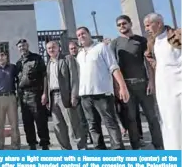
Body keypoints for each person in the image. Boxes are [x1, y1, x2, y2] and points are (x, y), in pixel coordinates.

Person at [110, 15, 163, 150]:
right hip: (127, 88)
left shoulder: (141, 40)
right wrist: (118, 87)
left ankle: (159, 145)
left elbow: (148, 63)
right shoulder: (115, 43)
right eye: (119, 25)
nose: (122, 26)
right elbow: (113, 67)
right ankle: (135, 147)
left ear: (130, 24)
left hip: (144, 85)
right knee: (131, 119)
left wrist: (151, 82)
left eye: (124, 23)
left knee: (152, 117)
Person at [76, 26, 129, 150]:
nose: (81, 36)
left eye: (83, 33)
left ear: (89, 34)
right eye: (78, 35)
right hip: (85, 96)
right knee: (93, 126)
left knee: (110, 124)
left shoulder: (101, 47)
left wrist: (122, 86)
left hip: (102, 94)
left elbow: (113, 67)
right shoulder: (79, 54)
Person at [144, 13, 182, 150]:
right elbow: (152, 60)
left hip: (178, 83)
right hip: (163, 86)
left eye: (148, 25)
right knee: (168, 119)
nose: (146, 29)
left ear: (159, 23)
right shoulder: (152, 42)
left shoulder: (177, 36)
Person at [42, 41, 87, 150]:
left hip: (65, 96)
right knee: (58, 126)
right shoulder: (49, 63)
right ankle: (66, 150)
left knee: (73, 125)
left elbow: (74, 78)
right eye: (48, 48)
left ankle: (80, 150)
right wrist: (46, 96)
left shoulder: (67, 59)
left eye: (53, 47)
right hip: (53, 97)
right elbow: (47, 82)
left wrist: (74, 96)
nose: (51, 50)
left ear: (59, 48)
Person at [16, 39, 50, 150]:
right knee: (27, 122)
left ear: (27, 46)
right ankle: (32, 145)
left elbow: (45, 76)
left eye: (24, 45)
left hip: (35, 94)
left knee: (40, 120)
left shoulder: (37, 58)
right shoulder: (18, 63)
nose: (22, 48)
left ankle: (44, 144)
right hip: (23, 96)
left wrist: (45, 93)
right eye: (20, 46)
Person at [0, 50, 21, 150]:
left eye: (2, 55)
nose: (0, 58)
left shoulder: (12, 67)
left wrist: (19, 96)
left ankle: (15, 146)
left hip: (11, 97)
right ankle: (0, 146)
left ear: (6, 56)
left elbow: (19, 81)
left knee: (14, 124)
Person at [67, 41, 93, 145]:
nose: (73, 50)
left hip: (87, 91)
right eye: (71, 49)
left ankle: (93, 137)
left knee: (90, 117)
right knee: (81, 118)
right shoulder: (68, 60)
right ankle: (85, 137)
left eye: (74, 48)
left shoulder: (83, 57)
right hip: (77, 93)